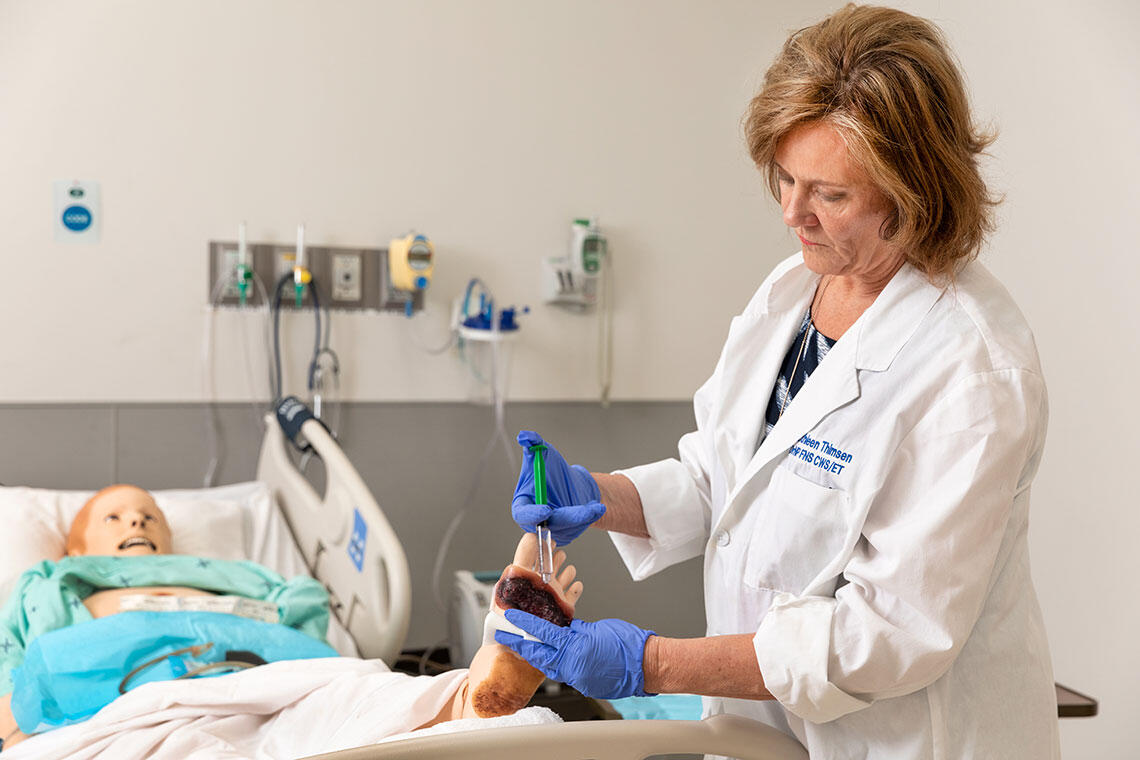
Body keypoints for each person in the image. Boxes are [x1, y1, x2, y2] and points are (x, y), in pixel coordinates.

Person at [495, 5, 1060, 758]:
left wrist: (650, 663)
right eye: (786, 178)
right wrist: (600, 497)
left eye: (830, 194)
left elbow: (884, 638)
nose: (794, 214)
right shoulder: (792, 294)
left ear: (917, 189)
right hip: (764, 735)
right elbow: (723, 478)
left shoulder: (975, 371)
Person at [1, 485, 579, 754]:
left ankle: (471, 698)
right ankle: (463, 707)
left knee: (349, 697)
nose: (138, 523)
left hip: (271, 679)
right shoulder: (55, 585)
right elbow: (20, 669)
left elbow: (303, 625)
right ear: (75, 549)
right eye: (115, 516)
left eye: (150, 515)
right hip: (131, 704)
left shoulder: (239, 576)